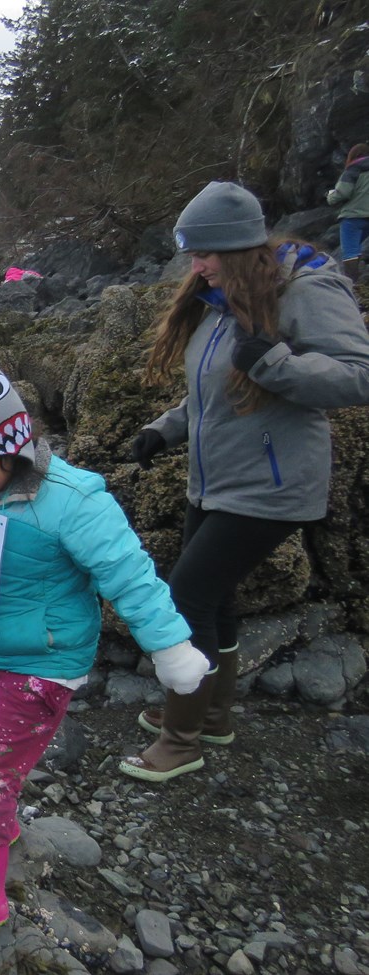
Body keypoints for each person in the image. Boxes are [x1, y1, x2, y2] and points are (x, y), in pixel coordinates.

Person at [0, 340, 207, 940]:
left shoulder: (72, 503)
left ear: (11, 448)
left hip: (42, 661)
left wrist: (169, 646)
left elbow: (129, 573)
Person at [120, 180, 369, 782]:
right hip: (215, 481)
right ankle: (211, 714)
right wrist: (164, 430)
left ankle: (182, 739)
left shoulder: (303, 291)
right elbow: (212, 394)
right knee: (215, 602)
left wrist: (273, 362)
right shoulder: (218, 297)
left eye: (203, 254)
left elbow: (357, 376)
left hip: (270, 487)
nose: (194, 266)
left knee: (185, 599)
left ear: (235, 247)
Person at [326, 143, 369, 282]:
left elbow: (342, 193)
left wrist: (330, 195)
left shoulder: (353, 170)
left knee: (350, 252)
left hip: (353, 217)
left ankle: (353, 286)